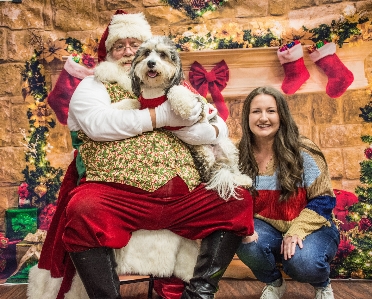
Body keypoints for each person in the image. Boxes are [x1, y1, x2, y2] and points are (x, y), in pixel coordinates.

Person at [33, 10, 254, 299]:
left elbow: (217, 126)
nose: (127, 51)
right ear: (109, 52)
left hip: (184, 196)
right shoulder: (93, 85)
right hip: (120, 196)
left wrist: (192, 131)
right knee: (82, 209)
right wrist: (161, 116)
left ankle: (199, 294)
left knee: (236, 199)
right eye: (119, 45)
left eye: (135, 44)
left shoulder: (175, 84)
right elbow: (98, 126)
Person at [236, 86, 340, 299]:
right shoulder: (239, 155)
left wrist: (296, 231)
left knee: (302, 262)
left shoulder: (303, 150)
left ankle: (322, 284)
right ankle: (274, 283)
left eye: (271, 111)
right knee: (242, 239)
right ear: (247, 116)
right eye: (256, 111)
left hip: (313, 226)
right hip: (268, 227)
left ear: (281, 115)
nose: (263, 118)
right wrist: (243, 228)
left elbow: (324, 199)